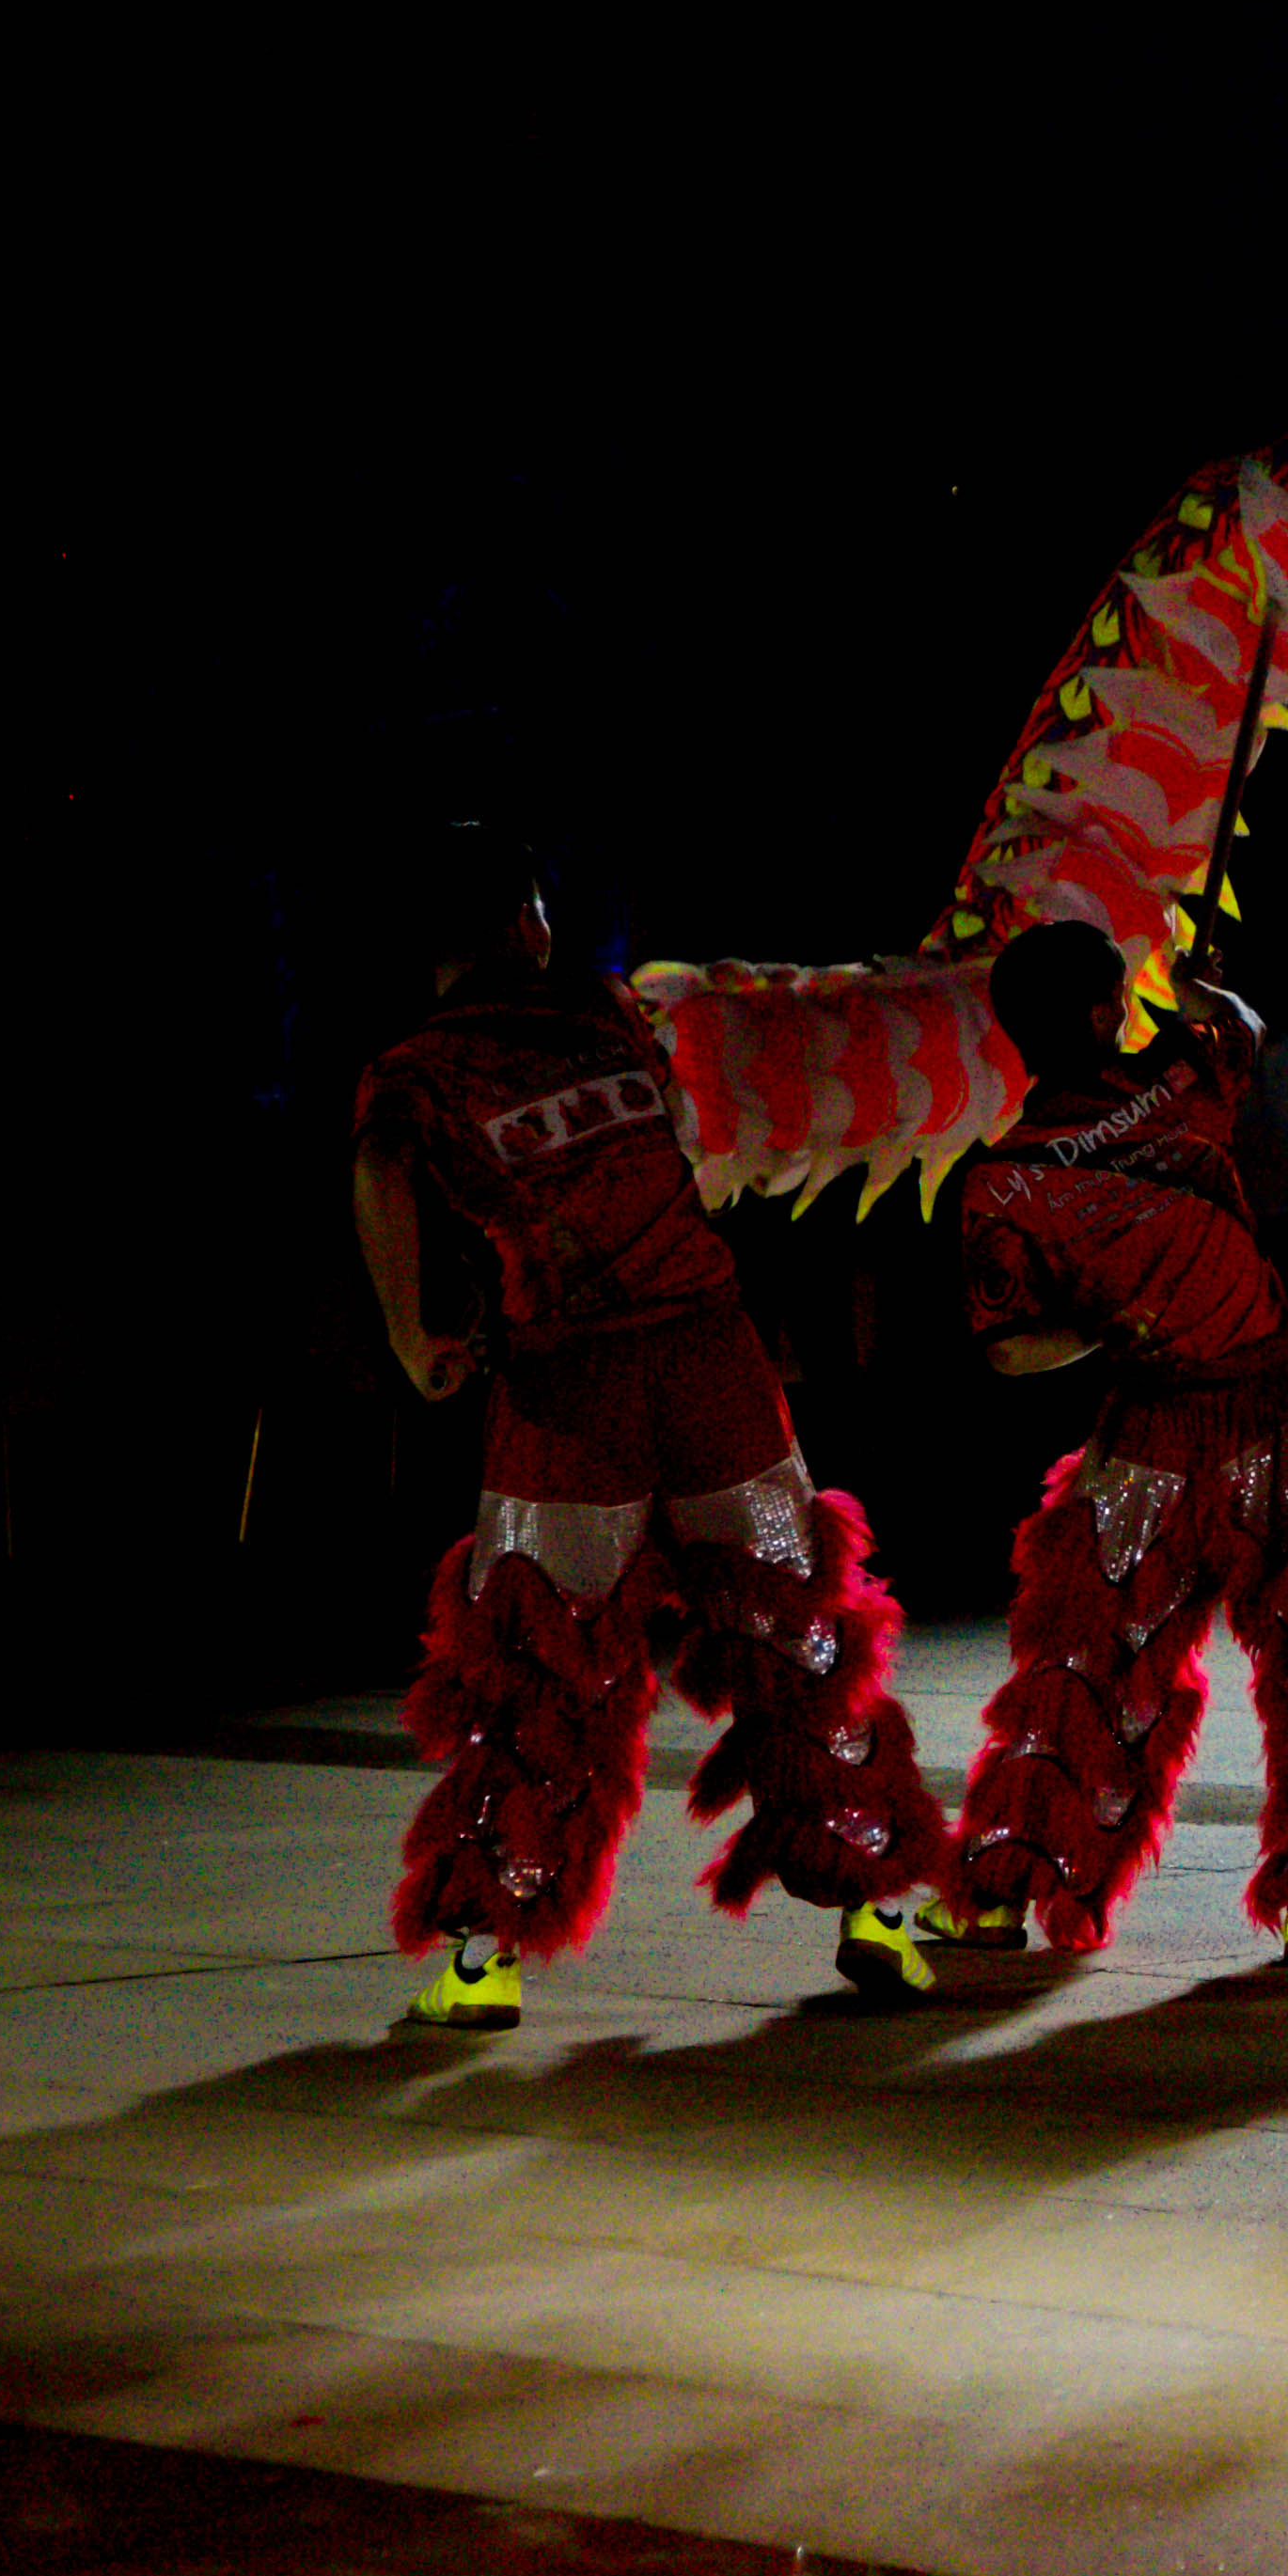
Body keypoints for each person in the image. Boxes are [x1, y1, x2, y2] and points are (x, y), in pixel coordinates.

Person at [350, 831, 946, 2027]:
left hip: (574, 1386)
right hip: (704, 1357)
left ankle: (482, 1956)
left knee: (538, 1657)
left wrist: (417, 1343)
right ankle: (878, 1902)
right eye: (535, 907)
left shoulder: (417, 1068)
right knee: (796, 1620)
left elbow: (377, 1177)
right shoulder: (597, 1018)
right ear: (522, 922)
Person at [933, 922, 1288, 1964]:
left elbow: (1007, 1352)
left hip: (1150, 1421)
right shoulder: (1183, 1079)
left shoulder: (1003, 1177)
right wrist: (1196, 989)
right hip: (1279, 1410)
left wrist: (1109, 1322)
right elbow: (1247, 1029)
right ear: (1106, 1014)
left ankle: (1001, 1889)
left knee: (1090, 1666)